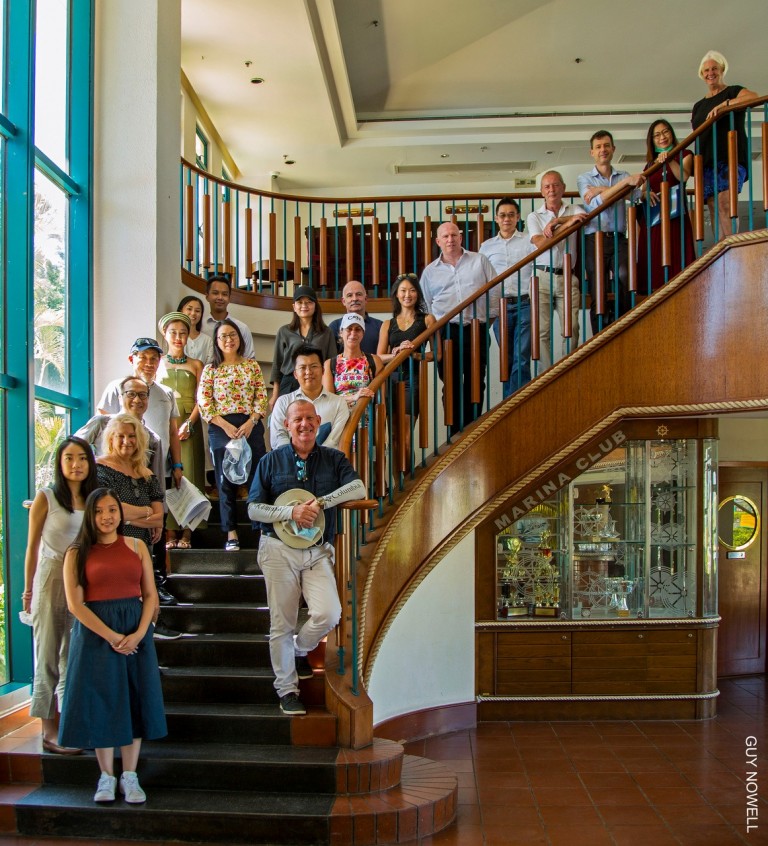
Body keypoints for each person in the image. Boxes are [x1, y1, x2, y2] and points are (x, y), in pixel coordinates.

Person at [247, 399, 366, 715]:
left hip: (316, 551)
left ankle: (299, 649)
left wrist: (321, 503)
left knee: (330, 613)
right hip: (277, 550)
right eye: (297, 419)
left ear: (318, 421)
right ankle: (287, 689)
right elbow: (254, 508)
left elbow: (358, 489)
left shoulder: (333, 459)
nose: (304, 424)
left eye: (310, 418)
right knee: (281, 623)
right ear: (287, 425)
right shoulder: (270, 462)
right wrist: (290, 512)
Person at [59, 488, 166, 804]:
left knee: (133, 699)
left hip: (136, 631)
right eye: (99, 511)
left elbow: (150, 595)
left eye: (112, 510)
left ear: (120, 514)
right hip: (96, 634)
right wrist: (111, 636)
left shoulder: (136, 545)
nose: (107, 517)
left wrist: (139, 633)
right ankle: (106, 776)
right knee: (102, 700)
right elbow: (75, 605)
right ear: (90, 516)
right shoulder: (76, 552)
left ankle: (130, 776)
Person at [23, 437, 98, 755]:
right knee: (48, 654)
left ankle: (70, 725)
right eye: (69, 458)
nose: (76, 464)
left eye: (82, 458)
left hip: (84, 580)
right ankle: (47, 729)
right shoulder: (47, 497)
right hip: (51, 579)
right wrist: (27, 590)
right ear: (60, 462)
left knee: (74, 656)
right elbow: (32, 547)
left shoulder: (95, 499)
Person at [98, 338, 182, 605]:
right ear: (132, 359)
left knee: (153, 534)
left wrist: (177, 466)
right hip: (113, 482)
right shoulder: (115, 389)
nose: (149, 362)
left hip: (148, 478)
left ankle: (156, 585)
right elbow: (92, 437)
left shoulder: (162, 403)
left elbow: (172, 433)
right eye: (143, 357)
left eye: (154, 358)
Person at [420, 221, 499, 436]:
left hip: (476, 328)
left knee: (476, 380)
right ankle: (454, 436)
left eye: (454, 235)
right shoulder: (429, 272)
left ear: (461, 237)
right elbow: (427, 306)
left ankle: (472, 432)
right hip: (446, 333)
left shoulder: (479, 261)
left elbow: (494, 291)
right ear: (438, 241)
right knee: (451, 384)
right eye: (445, 236)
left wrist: (487, 322)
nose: (450, 240)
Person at [198, 318, 268, 551]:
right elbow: (205, 402)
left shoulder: (252, 366)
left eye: (232, 335)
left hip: (250, 425)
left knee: (257, 476)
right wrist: (224, 426)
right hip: (221, 428)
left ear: (240, 338)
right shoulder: (211, 369)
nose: (228, 340)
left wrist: (251, 421)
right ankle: (231, 532)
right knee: (224, 480)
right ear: (217, 342)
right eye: (223, 336)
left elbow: (261, 397)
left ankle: (261, 529)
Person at [577, 130, 645, 333]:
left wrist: (602, 190)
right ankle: (599, 338)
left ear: (613, 149)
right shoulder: (584, 178)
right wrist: (623, 186)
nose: (603, 150)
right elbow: (597, 202)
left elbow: (636, 196)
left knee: (625, 279)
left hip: (618, 238)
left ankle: (623, 329)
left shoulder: (622, 174)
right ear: (592, 152)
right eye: (598, 147)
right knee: (598, 291)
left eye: (606, 145)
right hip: (593, 239)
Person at [691, 51, 758, 242]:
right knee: (713, 205)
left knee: (725, 202)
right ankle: (721, 247)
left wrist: (726, 105)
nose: (710, 73)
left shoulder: (733, 91)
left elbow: (753, 97)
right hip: (707, 161)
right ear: (701, 75)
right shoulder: (699, 105)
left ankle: (731, 247)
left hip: (730, 157)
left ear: (722, 70)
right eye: (706, 70)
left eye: (714, 68)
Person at [526, 172, 587, 370]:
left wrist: (556, 223)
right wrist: (568, 224)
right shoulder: (534, 216)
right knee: (541, 331)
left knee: (572, 328)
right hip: (541, 277)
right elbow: (541, 244)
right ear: (542, 192)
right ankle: (547, 376)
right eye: (547, 186)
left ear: (563, 187)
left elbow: (582, 216)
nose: (551, 189)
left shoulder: (574, 208)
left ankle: (565, 371)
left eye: (555, 185)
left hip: (567, 276)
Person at [157, 311, 206, 549]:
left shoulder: (196, 365)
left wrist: (191, 422)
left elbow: (202, 399)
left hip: (189, 423)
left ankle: (187, 531)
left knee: (189, 476)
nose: (178, 337)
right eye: (173, 333)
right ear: (164, 334)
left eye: (183, 333)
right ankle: (169, 532)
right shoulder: (157, 364)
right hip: (163, 424)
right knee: (166, 475)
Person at [479, 200, 536, 396]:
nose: (507, 219)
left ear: (518, 217)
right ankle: (508, 406)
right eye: (502, 215)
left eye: (511, 214)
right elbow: (482, 279)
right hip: (500, 307)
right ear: (496, 219)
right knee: (507, 359)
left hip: (525, 304)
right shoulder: (486, 247)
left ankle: (519, 405)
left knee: (521, 357)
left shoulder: (529, 241)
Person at [636, 121, 695, 293]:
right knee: (653, 261)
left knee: (676, 258)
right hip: (654, 221)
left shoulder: (684, 153)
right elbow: (643, 190)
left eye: (665, 132)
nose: (662, 137)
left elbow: (683, 177)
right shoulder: (649, 165)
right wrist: (646, 193)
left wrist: (668, 160)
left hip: (675, 218)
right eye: (657, 135)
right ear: (652, 140)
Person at [75, 376, 165, 487]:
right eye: (131, 394)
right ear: (120, 398)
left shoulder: (153, 439)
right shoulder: (101, 423)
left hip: (135, 499)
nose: (137, 400)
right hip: (101, 494)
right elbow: (72, 447)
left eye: (142, 395)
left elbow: (157, 484)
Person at [377, 272, 436, 423]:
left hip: (413, 379)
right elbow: (379, 358)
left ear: (418, 294)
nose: (407, 295)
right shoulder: (387, 324)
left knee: (406, 437)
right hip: (391, 378)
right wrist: (396, 354)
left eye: (412, 290)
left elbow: (437, 354)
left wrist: (413, 354)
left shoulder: (428, 319)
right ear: (396, 294)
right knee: (394, 436)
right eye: (403, 290)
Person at [269, 286, 337, 411]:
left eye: (309, 302)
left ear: (315, 305)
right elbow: (277, 365)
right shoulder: (284, 331)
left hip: (316, 382)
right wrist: (275, 395)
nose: (304, 306)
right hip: (289, 383)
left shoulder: (326, 332)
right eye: (300, 302)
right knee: (288, 422)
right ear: (294, 306)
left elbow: (331, 363)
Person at [270, 344, 350, 450]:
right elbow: (278, 438)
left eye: (313, 366)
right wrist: (294, 458)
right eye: (302, 367)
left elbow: (334, 441)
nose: (308, 372)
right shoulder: (283, 402)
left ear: (323, 370)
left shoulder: (339, 403)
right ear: (295, 374)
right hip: (289, 463)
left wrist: (314, 460)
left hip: (326, 463)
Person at [322, 313, 383, 409]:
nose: (353, 333)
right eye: (349, 329)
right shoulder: (330, 364)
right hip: (340, 420)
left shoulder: (374, 361)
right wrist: (354, 397)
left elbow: (380, 401)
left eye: (358, 329)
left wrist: (380, 423)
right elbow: (329, 400)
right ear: (341, 332)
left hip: (368, 421)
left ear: (363, 333)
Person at [201, 275, 255, 359]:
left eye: (224, 294)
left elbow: (249, 360)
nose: (220, 297)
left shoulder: (242, 328)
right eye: (215, 293)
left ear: (229, 298)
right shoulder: (200, 326)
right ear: (207, 296)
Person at [327, 280, 382, 354]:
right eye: (349, 295)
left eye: (359, 294)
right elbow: (330, 357)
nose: (355, 299)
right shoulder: (335, 326)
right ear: (343, 301)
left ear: (365, 299)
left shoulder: (380, 326)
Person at [178, 294, 214, 365]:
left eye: (197, 311)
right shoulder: (174, 337)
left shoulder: (208, 340)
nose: (193, 313)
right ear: (180, 311)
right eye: (189, 309)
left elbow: (209, 367)